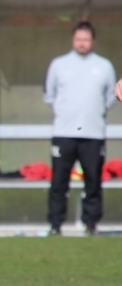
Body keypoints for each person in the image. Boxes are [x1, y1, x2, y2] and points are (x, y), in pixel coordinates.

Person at [44, 20, 116, 236]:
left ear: (93, 41)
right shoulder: (58, 65)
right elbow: (50, 95)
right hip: (64, 133)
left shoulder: (104, 66)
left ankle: (91, 223)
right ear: (73, 40)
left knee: (93, 181)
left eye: (86, 39)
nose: (82, 43)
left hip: (93, 134)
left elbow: (111, 97)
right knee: (59, 181)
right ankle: (55, 224)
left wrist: (95, 112)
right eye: (78, 39)